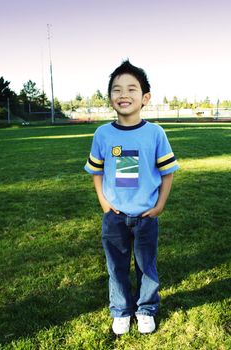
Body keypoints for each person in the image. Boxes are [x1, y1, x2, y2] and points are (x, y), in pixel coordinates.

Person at [84, 60, 179, 335]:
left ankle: (146, 308)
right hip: (114, 217)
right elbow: (96, 170)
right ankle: (122, 311)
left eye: (132, 89)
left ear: (145, 97)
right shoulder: (103, 134)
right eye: (117, 89)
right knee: (116, 266)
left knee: (146, 265)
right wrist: (104, 202)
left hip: (146, 216)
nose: (124, 94)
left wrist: (160, 205)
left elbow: (168, 172)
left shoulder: (155, 133)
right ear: (110, 98)